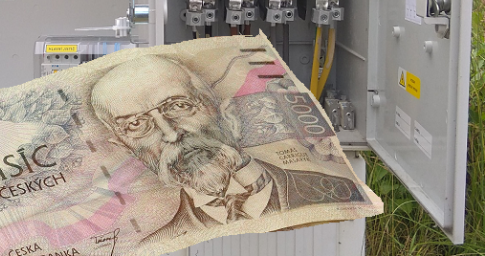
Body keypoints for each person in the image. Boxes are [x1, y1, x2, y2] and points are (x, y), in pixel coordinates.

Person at [89, 55, 363, 245]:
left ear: (226, 114)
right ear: (127, 148)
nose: (171, 133)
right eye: (136, 125)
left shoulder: (341, 193)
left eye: (178, 106)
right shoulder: (158, 245)